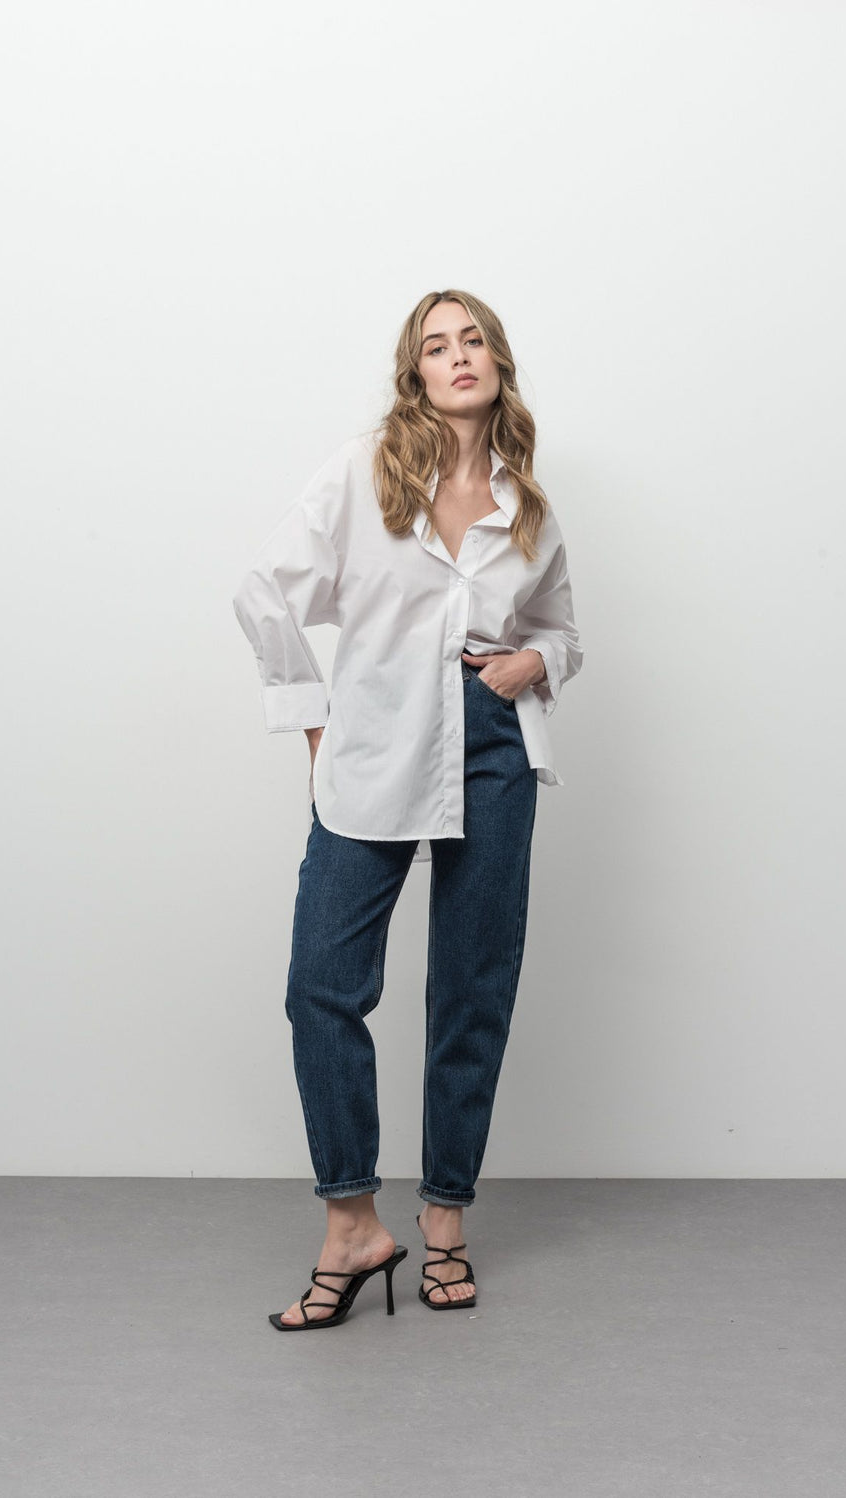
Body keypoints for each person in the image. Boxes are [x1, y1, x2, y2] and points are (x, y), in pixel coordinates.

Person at [232, 288, 583, 1330]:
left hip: (493, 747)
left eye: (472, 339)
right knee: (322, 987)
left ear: (497, 361)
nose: (457, 355)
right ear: (415, 372)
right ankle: (352, 1223)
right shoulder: (364, 471)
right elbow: (263, 591)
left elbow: (563, 631)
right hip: (374, 745)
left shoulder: (528, 506)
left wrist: (533, 662)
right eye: (436, 345)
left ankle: (444, 1219)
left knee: (472, 991)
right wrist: (313, 725)